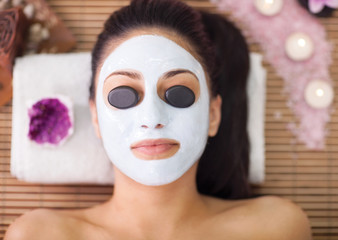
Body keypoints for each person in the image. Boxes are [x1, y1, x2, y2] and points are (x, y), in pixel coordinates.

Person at [5, 0, 312, 239]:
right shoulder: (40, 235)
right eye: (123, 96)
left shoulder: (276, 229)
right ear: (96, 117)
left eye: (178, 94)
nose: (152, 119)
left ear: (213, 114)